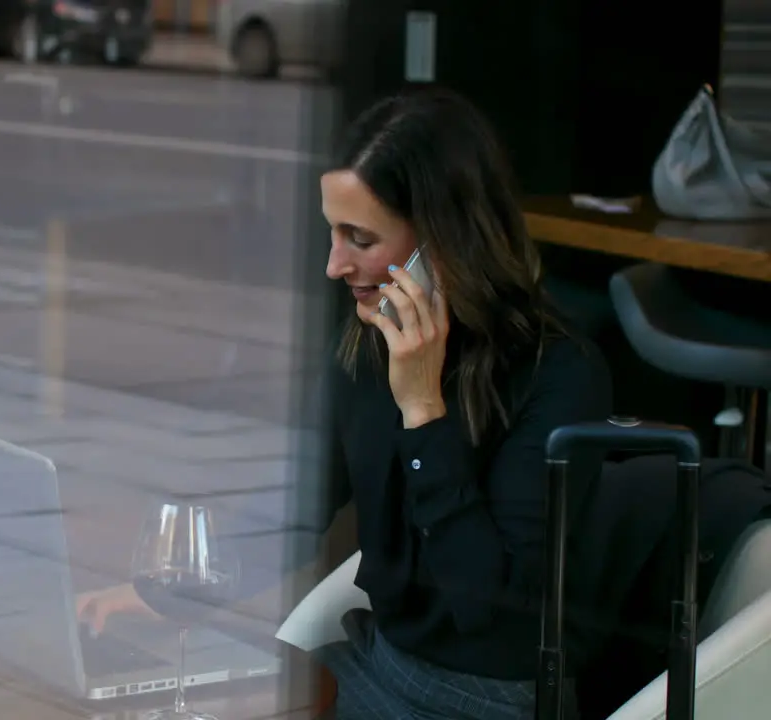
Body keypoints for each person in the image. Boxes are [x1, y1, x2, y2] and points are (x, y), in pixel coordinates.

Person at [75, 88, 612, 719]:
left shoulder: (561, 377)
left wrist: (422, 411)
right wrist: (172, 593)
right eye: (333, 232)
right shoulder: (367, 342)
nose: (334, 264)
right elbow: (306, 501)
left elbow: (484, 611)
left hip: (485, 699)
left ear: (443, 239)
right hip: (378, 665)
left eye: (359, 238)